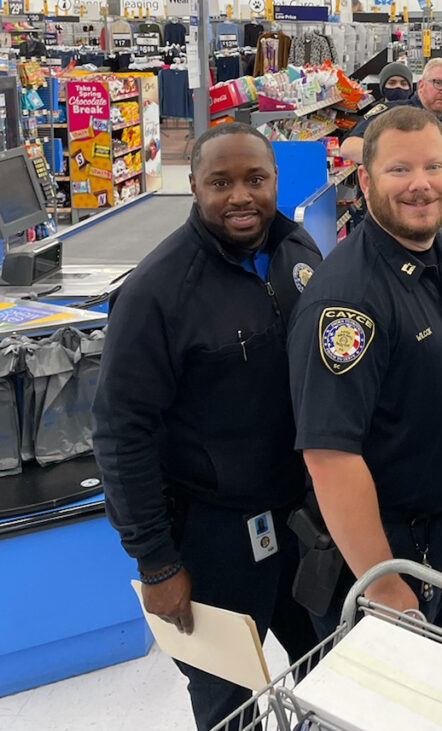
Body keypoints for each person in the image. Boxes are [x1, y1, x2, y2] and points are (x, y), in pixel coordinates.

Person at [93, 123, 322, 731]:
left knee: (329, 672)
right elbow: (121, 432)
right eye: (220, 182)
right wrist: (157, 563)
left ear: (276, 180)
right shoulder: (156, 292)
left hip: (307, 521)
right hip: (215, 537)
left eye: (255, 179)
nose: (240, 196)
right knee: (228, 705)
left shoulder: (299, 252)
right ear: (192, 186)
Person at [288, 106, 442, 639]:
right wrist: (382, 583)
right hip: (387, 552)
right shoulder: (347, 300)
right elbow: (330, 457)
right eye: (400, 170)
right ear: (367, 181)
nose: (420, 185)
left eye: (434, 167)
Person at [341, 58, 442, 229]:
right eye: (438, 83)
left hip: (432, 232)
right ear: (422, 85)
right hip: (386, 228)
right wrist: (395, 160)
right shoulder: (392, 115)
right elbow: (349, 147)